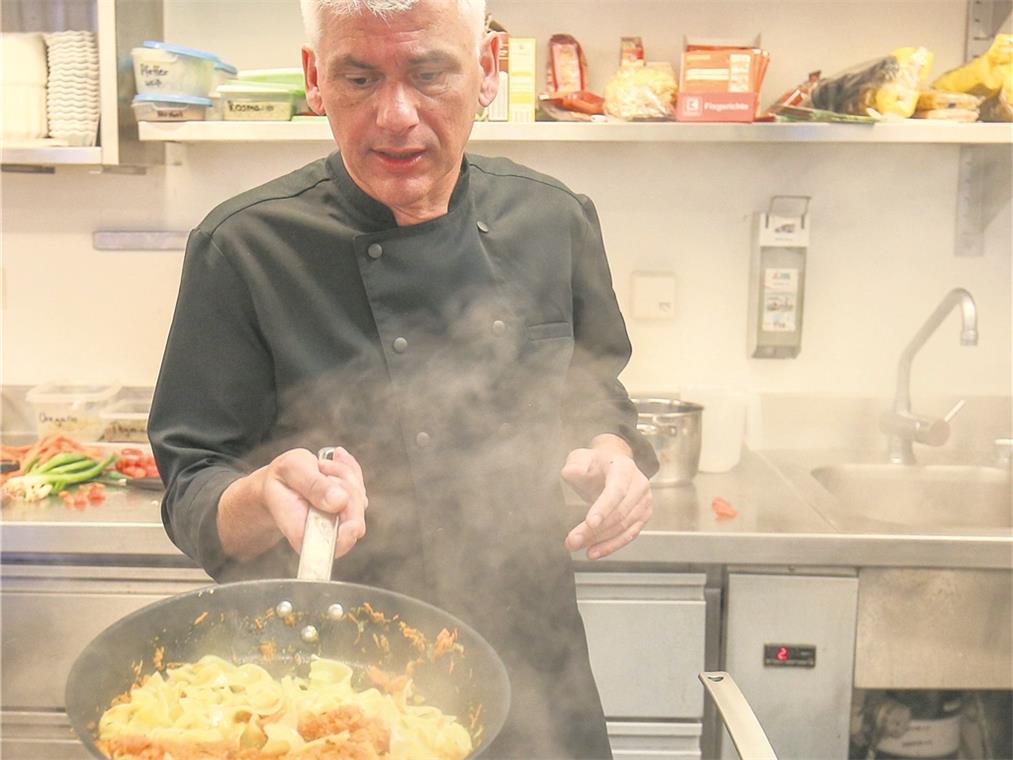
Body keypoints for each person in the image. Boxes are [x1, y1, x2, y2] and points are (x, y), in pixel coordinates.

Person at [148, 0, 658, 756]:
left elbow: (593, 390)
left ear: (484, 71)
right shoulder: (244, 248)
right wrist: (258, 496)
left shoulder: (552, 219)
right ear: (314, 81)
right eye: (359, 78)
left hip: (534, 676)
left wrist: (609, 454)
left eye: (428, 74)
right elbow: (190, 485)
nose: (395, 115)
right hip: (323, 688)